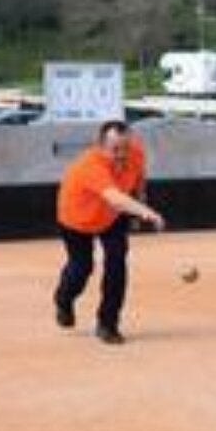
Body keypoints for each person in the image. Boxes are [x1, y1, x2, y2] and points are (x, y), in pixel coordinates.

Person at [54, 120, 165, 345]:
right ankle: (63, 299)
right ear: (101, 146)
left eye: (125, 147)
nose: (122, 154)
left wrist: (139, 204)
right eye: (115, 149)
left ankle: (108, 324)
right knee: (81, 268)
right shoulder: (90, 165)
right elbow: (114, 197)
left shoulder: (135, 153)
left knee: (117, 264)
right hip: (77, 219)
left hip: (112, 217)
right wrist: (146, 212)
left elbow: (138, 180)